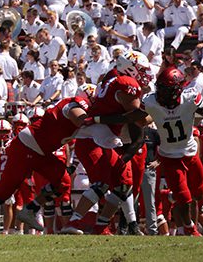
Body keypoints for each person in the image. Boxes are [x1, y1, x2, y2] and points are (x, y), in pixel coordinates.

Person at [95, 68, 203, 236]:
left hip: (191, 153)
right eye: (160, 87)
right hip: (169, 156)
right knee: (184, 198)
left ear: (177, 89)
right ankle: (189, 228)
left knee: (198, 194)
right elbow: (130, 118)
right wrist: (98, 119)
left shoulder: (189, 98)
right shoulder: (151, 101)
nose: (161, 92)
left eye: (166, 89)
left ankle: (173, 199)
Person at [0, 84, 95, 234]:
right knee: (5, 191)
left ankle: (31, 210)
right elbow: (83, 121)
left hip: (41, 151)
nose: (96, 100)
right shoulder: (76, 105)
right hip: (26, 146)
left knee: (63, 181)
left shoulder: (81, 109)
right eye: (93, 97)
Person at [62, 51, 153, 235]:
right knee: (103, 183)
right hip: (98, 137)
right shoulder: (126, 83)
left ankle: (102, 226)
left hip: (102, 134)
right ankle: (74, 222)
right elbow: (139, 119)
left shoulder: (112, 76)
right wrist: (157, 113)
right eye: (141, 70)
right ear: (130, 69)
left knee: (123, 185)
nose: (145, 74)